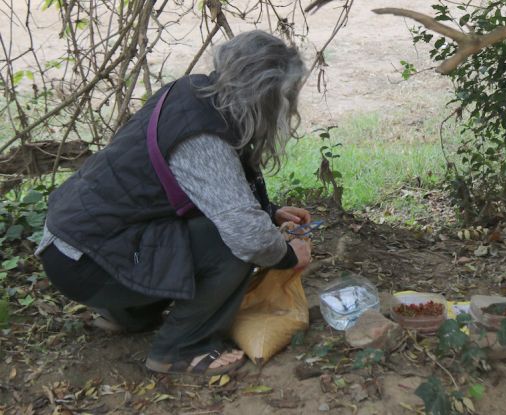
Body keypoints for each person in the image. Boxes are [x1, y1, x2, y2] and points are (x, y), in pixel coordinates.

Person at [34, 31, 312, 375]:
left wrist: (268, 213)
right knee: (232, 248)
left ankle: (131, 314)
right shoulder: (203, 138)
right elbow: (248, 237)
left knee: (217, 232)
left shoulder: (194, 91)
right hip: (87, 266)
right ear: (264, 95)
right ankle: (181, 348)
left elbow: (196, 188)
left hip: (71, 246)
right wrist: (286, 255)